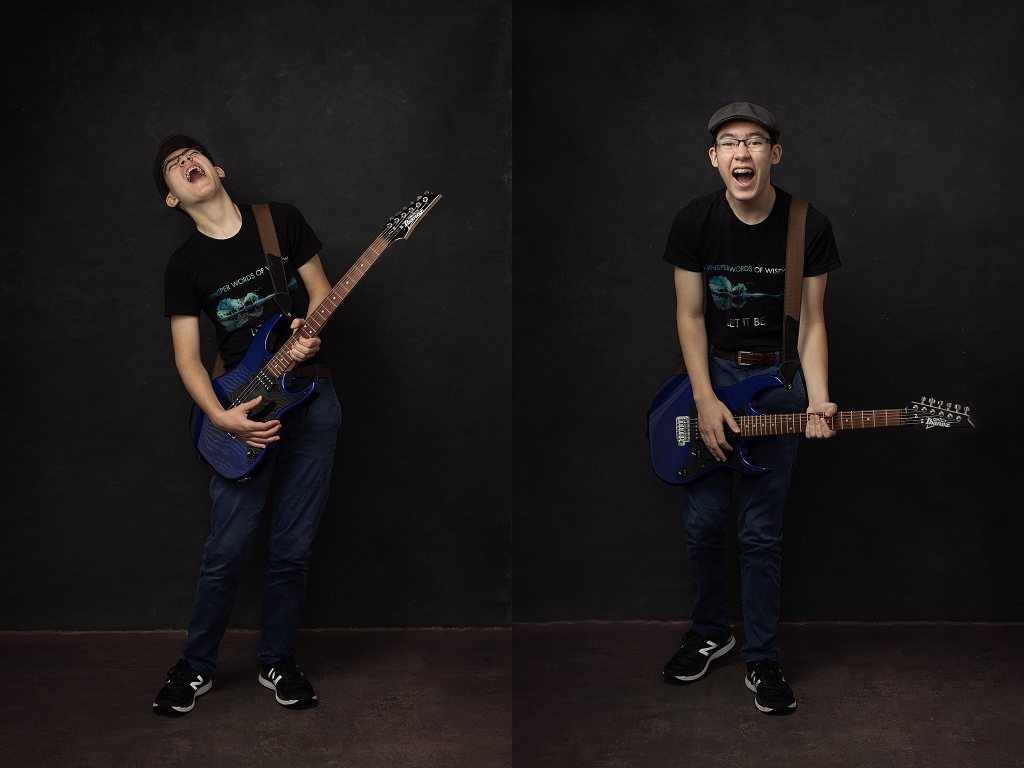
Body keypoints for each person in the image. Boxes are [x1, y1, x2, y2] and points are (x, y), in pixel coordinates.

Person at [151, 135, 341, 715]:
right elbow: (187, 357)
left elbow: (320, 290)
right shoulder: (184, 266)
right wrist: (221, 417)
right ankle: (195, 665)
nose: (186, 164)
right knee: (226, 549)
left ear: (217, 167)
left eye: (192, 156)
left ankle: (277, 662)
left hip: (312, 399)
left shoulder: (278, 222)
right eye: (172, 168)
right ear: (172, 198)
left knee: (292, 548)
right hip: (239, 407)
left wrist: (313, 329)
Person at [660, 103, 841, 714]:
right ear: (715, 158)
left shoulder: (806, 224)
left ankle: (762, 660)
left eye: (755, 141)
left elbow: (812, 323)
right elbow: (689, 316)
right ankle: (712, 633)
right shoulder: (695, 220)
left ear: (774, 154)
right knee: (704, 524)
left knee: (759, 534)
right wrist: (706, 399)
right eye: (730, 143)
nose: (743, 153)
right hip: (710, 378)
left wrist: (818, 399)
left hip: (778, 379)